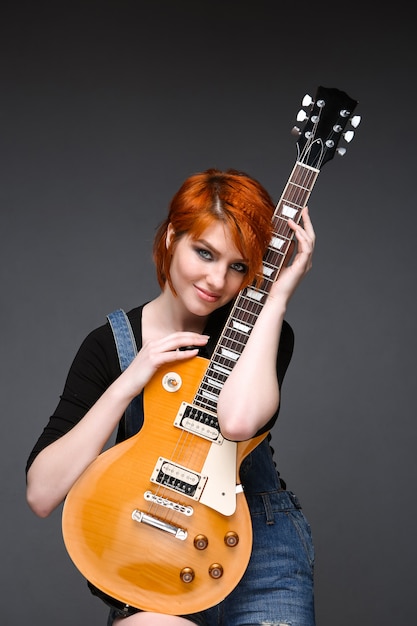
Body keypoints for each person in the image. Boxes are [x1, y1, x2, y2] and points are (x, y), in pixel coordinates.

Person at [26, 168, 316, 626]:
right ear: (170, 238)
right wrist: (131, 379)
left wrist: (275, 301)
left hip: (263, 555)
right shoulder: (109, 344)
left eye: (238, 266)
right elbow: (42, 493)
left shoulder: (263, 336)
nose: (218, 280)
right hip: (152, 549)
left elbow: (238, 423)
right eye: (204, 253)